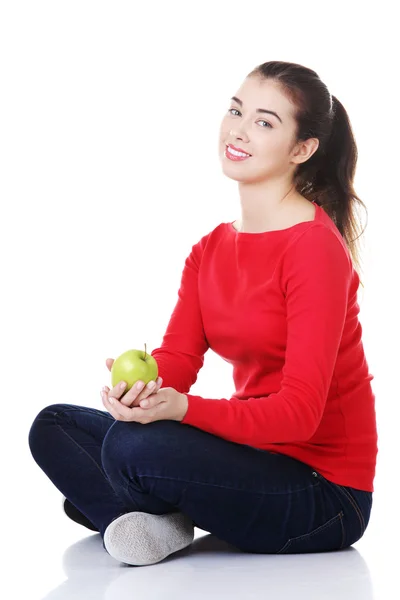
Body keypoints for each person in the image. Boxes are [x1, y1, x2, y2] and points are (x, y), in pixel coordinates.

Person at [28, 60, 377, 567]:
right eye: (236, 110)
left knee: (130, 452)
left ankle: (129, 507)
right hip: (253, 459)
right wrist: (143, 391)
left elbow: (299, 415)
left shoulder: (314, 250)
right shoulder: (210, 249)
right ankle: (151, 515)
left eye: (264, 121)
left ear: (302, 150)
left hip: (323, 494)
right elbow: (179, 358)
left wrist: (181, 410)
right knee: (55, 425)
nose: (238, 129)